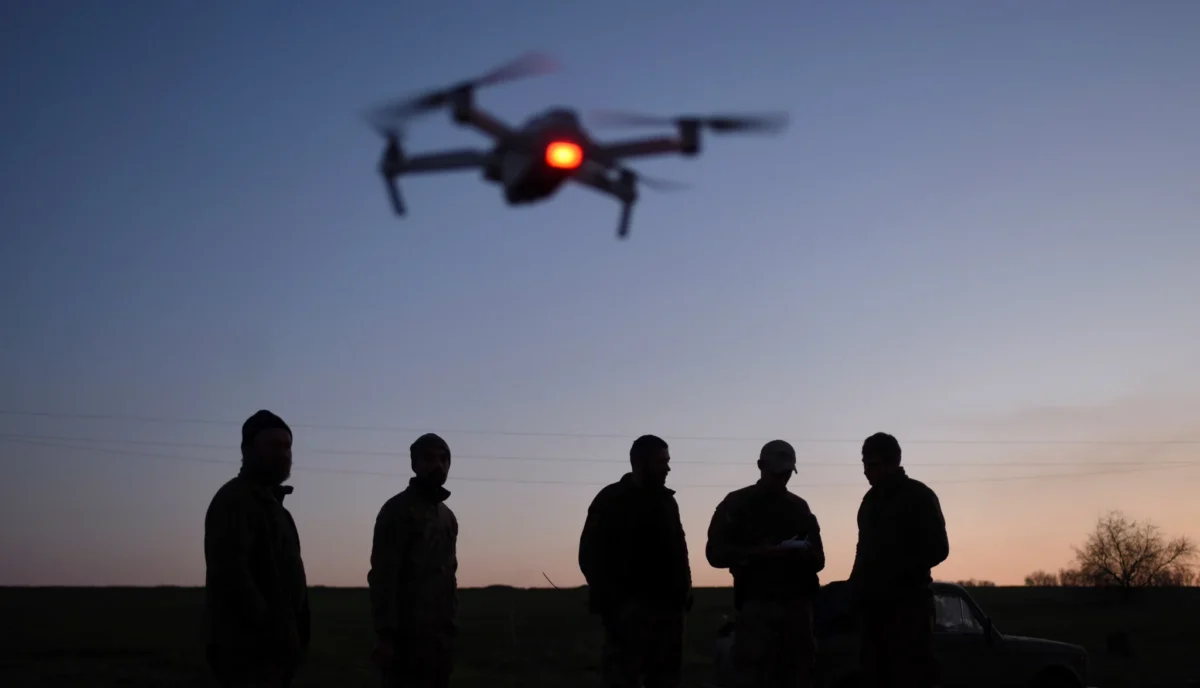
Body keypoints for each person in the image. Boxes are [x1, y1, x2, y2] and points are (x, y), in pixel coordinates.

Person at [202, 409, 310, 687]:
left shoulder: (278, 510)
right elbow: (231, 575)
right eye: (273, 445)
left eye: (287, 446)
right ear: (248, 450)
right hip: (248, 654)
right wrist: (270, 629)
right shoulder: (234, 501)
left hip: (276, 653)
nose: (283, 453)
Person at [705, 439, 826, 688]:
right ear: (761, 466)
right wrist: (756, 554)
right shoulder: (736, 504)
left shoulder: (799, 508)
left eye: (786, 473)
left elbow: (819, 558)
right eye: (777, 472)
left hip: (797, 613)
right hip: (756, 611)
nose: (782, 479)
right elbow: (715, 553)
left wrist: (800, 555)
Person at [578, 434, 693, 688]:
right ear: (641, 463)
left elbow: (679, 549)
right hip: (628, 612)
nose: (668, 468)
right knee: (623, 676)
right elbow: (589, 555)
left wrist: (685, 592)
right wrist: (613, 604)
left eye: (667, 461)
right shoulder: (611, 500)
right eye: (661, 462)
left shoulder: (667, 502)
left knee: (666, 678)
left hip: (669, 611)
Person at [849, 432, 950, 688]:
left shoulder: (919, 496)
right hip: (873, 611)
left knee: (911, 675)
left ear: (893, 463)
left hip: (909, 609)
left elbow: (939, 548)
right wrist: (854, 587)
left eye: (872, 464)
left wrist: (894, 570)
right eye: (864, 464)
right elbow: (863, 550)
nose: (866, 471)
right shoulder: (869, 502)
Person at [367, 432, 459, 688]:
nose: (438, 465)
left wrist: (451, 623)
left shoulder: (448, 517)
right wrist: (386, 635)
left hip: (440, 638)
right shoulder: (397, 510)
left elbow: (450, 574)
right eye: (428, 458)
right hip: (406, 638)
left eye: (444, 459)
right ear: (414, 464)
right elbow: (383, 575)